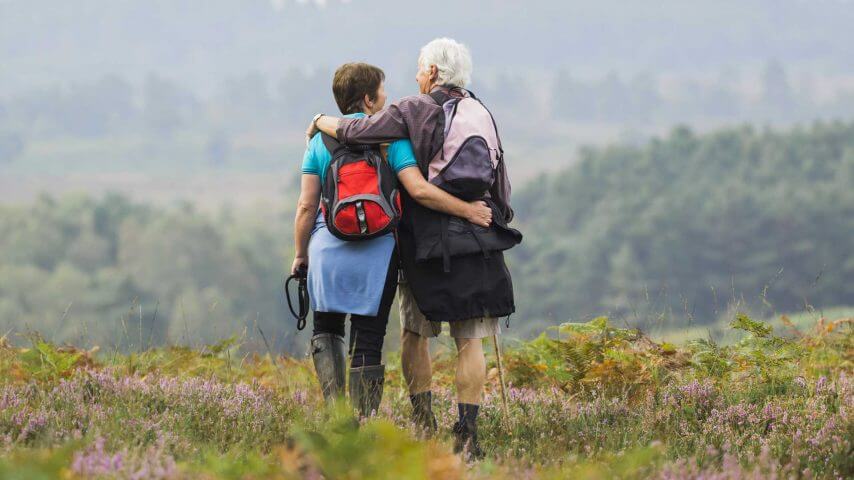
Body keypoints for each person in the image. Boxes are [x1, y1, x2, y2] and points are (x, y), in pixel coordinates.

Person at [305, 38, 517, 459]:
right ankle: (468, 434)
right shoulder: (481, 110)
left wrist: (319, 119)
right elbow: (501, 181)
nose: (417, 77)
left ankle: (422, 424)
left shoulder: (412, 110)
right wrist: (484, 216)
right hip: (476, 241)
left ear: (434, 73)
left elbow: (354, 131)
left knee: (414, 333)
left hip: (422, 243)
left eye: (421, 70)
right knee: (470, 340)